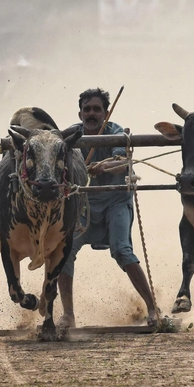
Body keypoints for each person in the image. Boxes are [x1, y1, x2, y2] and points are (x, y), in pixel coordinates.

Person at [57, 88, 158, 328]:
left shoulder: (116, 132)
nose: (91, 114)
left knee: (122, 250)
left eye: (97, 109)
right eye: (87, 109)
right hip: (83, 206)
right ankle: (68, 315)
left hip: (115, 201)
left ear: (106, 113)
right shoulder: (70, 136)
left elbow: (123, 161)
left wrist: (103, 167)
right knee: (64, 252)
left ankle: (153, 309)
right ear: (80, 113)